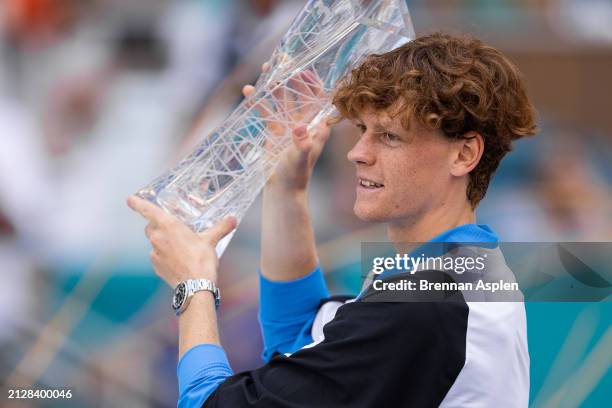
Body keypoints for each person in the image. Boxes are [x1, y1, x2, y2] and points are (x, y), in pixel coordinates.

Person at [129, 32, 537, 407]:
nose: (358, 152)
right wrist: (286, 188)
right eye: (362, 129)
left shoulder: (426, 305)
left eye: (390, 136)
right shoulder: (463, 273)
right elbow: (299, 337)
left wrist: (194, 287)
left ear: (464, 155)